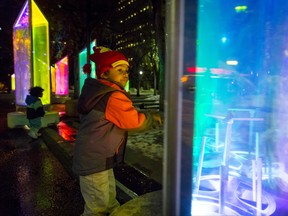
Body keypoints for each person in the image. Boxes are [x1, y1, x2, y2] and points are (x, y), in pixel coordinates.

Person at [72, 46, 162, 216]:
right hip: (95, 159)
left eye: (127, 70)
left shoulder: (98, 91)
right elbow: (133, 121)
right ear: (104, 74)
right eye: (119, 70)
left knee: (108, 199)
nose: (125, 74)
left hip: (97, 157)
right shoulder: (111, 96)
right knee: (97, 207)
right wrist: (151, 118)